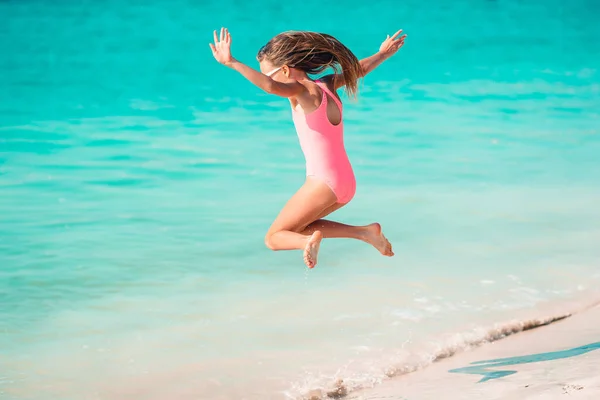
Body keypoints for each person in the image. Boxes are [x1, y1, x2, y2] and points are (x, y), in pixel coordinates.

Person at [209, 27, 406, 269]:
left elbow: (270, 87)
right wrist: (383, 54)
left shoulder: (300, 90)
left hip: (323, 183)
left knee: (274, 238)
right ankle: (365, 232)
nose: (269, 79)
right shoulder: (328, 85)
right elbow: (359, 70)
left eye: (269, 74)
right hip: (346, 183)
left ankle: (306, 243)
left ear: (284, 70)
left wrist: (232, 62)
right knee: (298, 227)